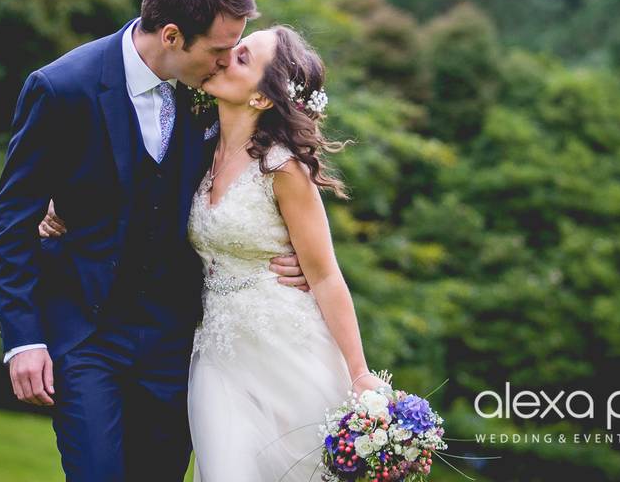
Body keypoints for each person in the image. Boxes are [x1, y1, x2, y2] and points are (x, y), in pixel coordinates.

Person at [0, 0, 308, 481]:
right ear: (174, 36)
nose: (228, 61)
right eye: (221, 48)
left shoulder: (210, 97)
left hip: (177, 343)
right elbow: (11, 223)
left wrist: (295, 251)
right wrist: (24, 339)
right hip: (85, 335)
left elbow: (269, 170)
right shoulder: (61, 88)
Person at [42, 25, 389, 480]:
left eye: (242, 57)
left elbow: (325, 275)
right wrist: (62, 205)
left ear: (262, 98)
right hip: (213, 354)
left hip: (283, 345)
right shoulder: (195, 141)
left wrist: (359, 372)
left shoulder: (283, 169)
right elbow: (131, 189)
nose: (224, 57)